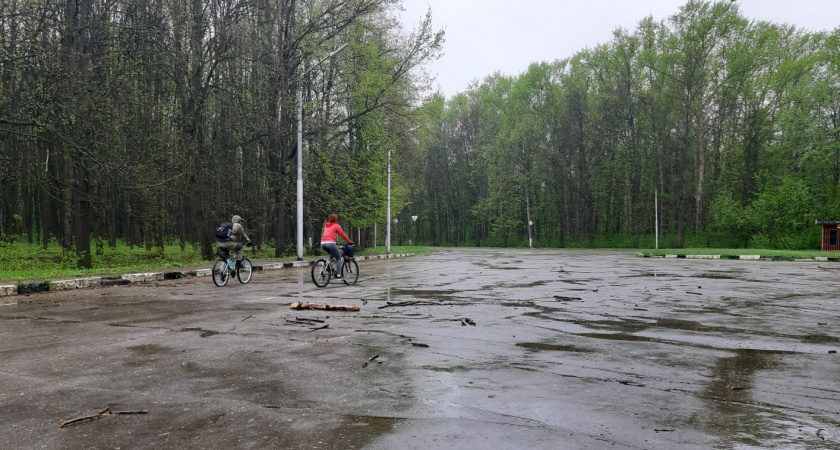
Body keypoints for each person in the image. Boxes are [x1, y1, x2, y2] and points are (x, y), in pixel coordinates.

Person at [320, 214, 353, 279]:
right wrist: (349, 241)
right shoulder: (336, 226)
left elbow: (328, 235)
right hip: (331, 243)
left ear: (329, 219)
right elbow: (343, 235)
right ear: (336, 219)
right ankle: (338, 275)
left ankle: (325, 264)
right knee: (338, 258)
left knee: (332, 254)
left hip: (323, 243)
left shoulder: (326, 226)